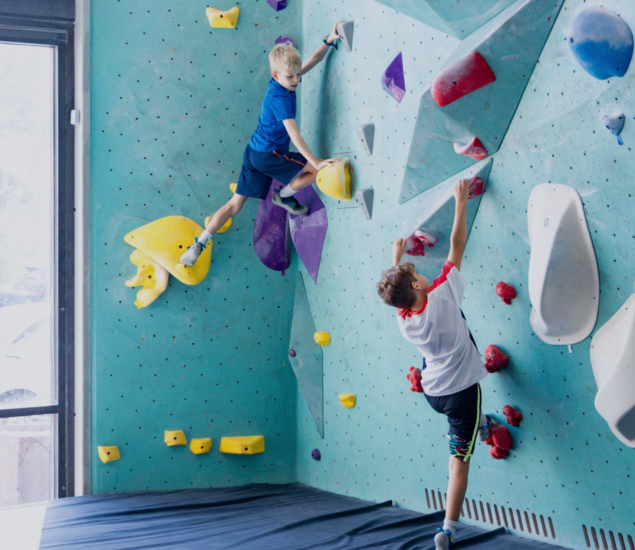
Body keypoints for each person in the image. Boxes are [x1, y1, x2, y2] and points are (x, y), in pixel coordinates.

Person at [376, 179, 490, 550]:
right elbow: (457, 246)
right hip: (458, 392)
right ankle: (448, 529)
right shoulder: (441, 293)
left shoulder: (404, 317)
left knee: (461, 417)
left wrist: (395, 262)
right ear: (421, 287)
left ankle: (479, 425)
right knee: (459, 462)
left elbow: (398, 295)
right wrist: (460, 202)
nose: (420, 273)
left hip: (433, 391)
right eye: (415, 275)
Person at [180, 21, 344, 267]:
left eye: (298, 74)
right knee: (315, 170)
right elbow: (295, 134)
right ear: (276, 75)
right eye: (291, 76)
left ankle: (201, 242)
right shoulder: (280, 98)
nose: (297, 80)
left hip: (253, 152)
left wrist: (329, 39)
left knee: (235, 204)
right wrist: (317, 161)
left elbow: (312, 60)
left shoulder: (282, 79)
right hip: (269, 154)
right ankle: (284, 196)